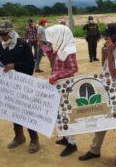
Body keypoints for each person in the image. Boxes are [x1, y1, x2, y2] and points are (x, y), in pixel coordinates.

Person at [79, 23, 116, 166]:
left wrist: (109, 52)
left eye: (107, 36)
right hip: (108, 89)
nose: (105, 39)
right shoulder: (112, 48)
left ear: (115, 37)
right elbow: (105, 69)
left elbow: (115, 73)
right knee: (101, 118)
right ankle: (95, 150)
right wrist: (104, 53)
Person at [0, 21, 40, 154]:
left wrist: (15, 66)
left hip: (23, 84)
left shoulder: (22, 45)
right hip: (9, 86)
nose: (2, 36)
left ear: (11, 32)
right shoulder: (1, 46)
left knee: (27, 111)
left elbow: (30, 65)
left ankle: (34, 139)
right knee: (14, 111)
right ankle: (19, 136)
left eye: (4, 33)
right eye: (0, 33)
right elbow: (2, 65)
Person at [45, 24, 78, 157]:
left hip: (67, 87)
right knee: (61, 113)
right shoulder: (61, 48)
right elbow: (55, 64)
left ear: (60, 35)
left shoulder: (69, 50)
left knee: (68, 114)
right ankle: (65, 137)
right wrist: (49, 51)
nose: (51, 40)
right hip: (60, 86)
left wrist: (55, 76)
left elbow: (73, 69)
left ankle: (72, 143)